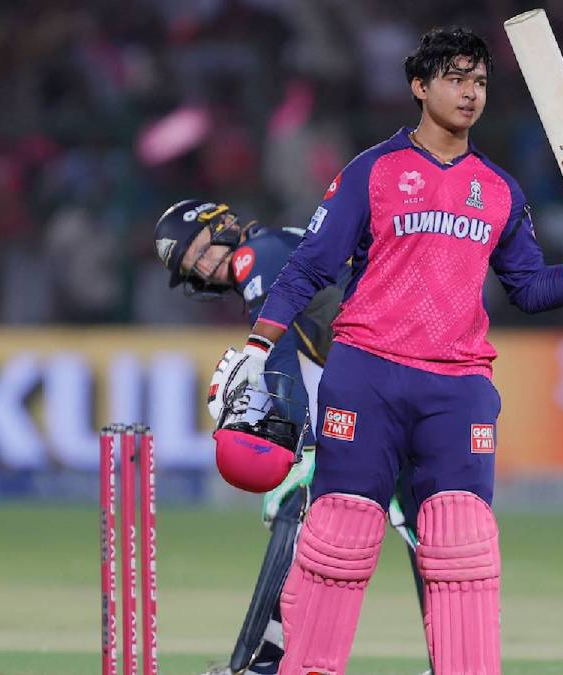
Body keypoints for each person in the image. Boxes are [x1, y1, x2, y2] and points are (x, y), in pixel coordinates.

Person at [205, 26, 563, 674]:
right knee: (338, 538)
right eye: (455, 79)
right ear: (420, 85)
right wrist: (256, 345)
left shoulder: (499, 190)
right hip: (367, 376)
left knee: (462, 543)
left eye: (479, 82)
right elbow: (307, 269)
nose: (470, 94)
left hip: (457, 385)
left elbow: (529, 290)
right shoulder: (374, 172)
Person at [152, 200, 430, 675]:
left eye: (196, 251)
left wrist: (294, 441)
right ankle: (271, 658)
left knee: (394, 521)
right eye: (189, 266)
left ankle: (270, 660)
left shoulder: (253, 256)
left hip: (397, 374)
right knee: (377, 518)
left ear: (218, 225)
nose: (200, 269)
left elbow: (276, 352)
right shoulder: (273, 243)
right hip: (400, 368)